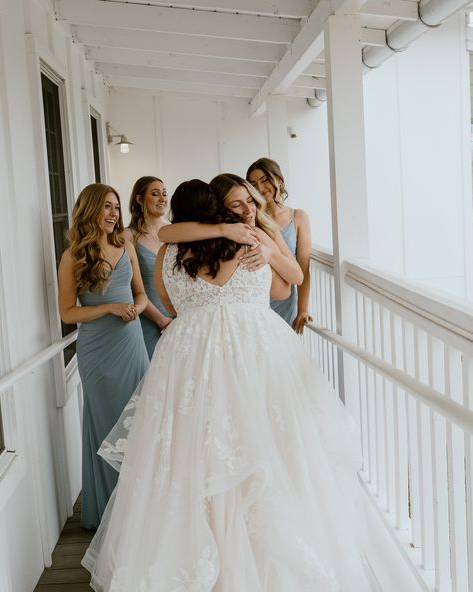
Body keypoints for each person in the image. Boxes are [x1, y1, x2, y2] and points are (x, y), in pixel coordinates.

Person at [82, 180, 371, 591]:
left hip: (189, 357)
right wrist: (255, 243)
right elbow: (290, 279)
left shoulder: (171, 250)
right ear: (219, 210)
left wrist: (263, 248)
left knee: (192, 452)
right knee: (267, 449)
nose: (246, 208)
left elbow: (164, 294)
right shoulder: (246, 239)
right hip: (256, 354)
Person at [58, 183, 149, 530]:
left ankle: (138, 508)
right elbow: (67, 313)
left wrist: (135, 310)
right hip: (97, 351)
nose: (113, 214)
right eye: (106, 207)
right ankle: (112, 514)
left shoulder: (125, 247)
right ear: (90, 210)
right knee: (106, 423)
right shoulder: (72, 256)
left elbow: (140, 294)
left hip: (131, 342)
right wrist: (109, 307)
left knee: (138, 422)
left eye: (116, 207)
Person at [158, 172, 304, 290]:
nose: (248, 210)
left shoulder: (266, 227)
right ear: (221, 208)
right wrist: (225, 230)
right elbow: (164, 233)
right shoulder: (220, 238)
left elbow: (297, 277)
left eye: (250, 200)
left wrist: (270, 254)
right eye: (236, 205)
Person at [247, 157, 312, 333]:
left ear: (279, 180)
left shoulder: (298, 217)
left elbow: (304, 268)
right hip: (255, 298)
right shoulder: (251, 217)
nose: (260, 188)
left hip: (286, 300)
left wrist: (303, 310)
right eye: (254, 184)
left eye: (265, 180)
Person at [122, 176, 173, 358]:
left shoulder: (174, 232)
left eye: (164, 194)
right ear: (139, 199)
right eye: (155, 194)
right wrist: (161, 320)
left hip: (180, 320)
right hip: (149, 321)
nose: (162, 199)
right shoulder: (128, 236)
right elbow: (129, 286)